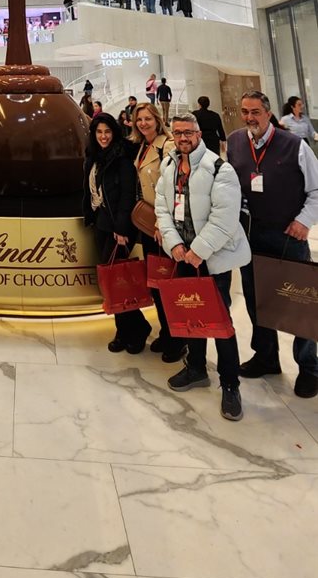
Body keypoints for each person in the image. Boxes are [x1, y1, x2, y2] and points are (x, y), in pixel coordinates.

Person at [155, 112, 249, 421]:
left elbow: (224, 219)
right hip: (182, 256)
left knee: (219, 322)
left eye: (188, 132)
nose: (183, 138)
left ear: (198, 134)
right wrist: (175, 245)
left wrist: (198, 250)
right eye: (178, 132)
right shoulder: (169, 166)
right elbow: (162, 208)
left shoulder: (219, 169)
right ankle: (195, 367)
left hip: (212, 259)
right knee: (190, 314)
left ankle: (230, 384)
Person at [227, 91, 318, 399]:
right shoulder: (236, 142)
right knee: (256, 298)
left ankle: (309, 367)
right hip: (252, 235)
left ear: (267, 113)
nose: (249, 117)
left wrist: (304, 221)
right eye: (244, 111)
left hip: (289, 236)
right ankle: (266, 357)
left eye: (255, 111)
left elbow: (316, 190)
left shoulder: (296, 146)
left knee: (299, 304)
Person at [83, 113, 152, 354]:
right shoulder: (94, 157)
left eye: (107, 132)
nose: (103, 137)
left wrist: (122, 229)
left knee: (120, 280)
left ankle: (138, 328)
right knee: (112, 281)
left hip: (118, 228)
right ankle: (124, 331)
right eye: (99, 132)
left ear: (115, 133)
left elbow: (126, 196)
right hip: (102, 223)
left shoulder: (121, 159)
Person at [130, 102, 183, 361]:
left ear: (157, 119)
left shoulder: (168, 145)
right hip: (149, 226)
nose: (143, 123)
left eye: (148, 119)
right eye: (139, 120)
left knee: (169, 284)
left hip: (165, 226)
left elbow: (175, 188)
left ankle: (178, 338)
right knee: (158, 283)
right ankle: (167, 331)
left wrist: (165, 224)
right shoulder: (143, 146)